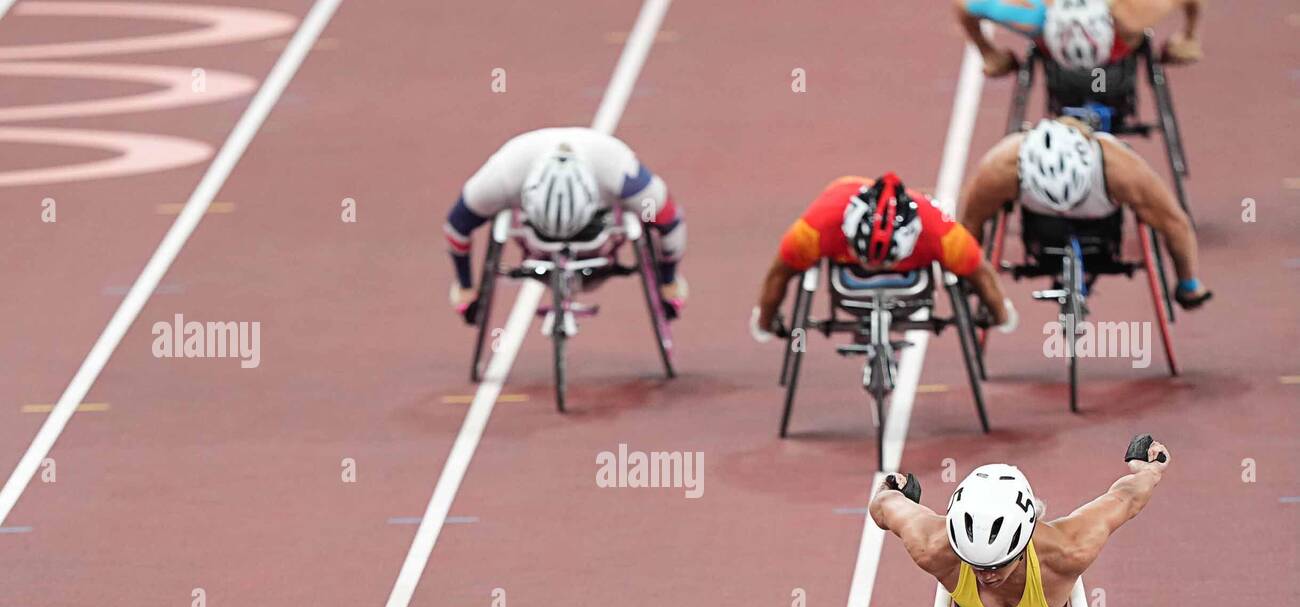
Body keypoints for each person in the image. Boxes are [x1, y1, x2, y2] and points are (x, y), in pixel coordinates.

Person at [869, 439, 1170, 607]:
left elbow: (1124, 500)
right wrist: (893, 489)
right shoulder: (932, 547)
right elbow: (884, 507)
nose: (986, 575)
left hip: (1042, 606)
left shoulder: (1068, 549)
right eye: (976, 564)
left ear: (1024, 542)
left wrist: (1148, 470)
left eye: (998, 564)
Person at [958, 117, 1211, 309]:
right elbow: (969, 226)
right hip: (1041, 234)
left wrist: (1187, 282)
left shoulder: (1120, 168)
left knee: (1162, 214)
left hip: (1102, 232)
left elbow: (1175, 223)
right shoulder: (999, 168)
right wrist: (977, 281)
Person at [444, 127, 687, 319]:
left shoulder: (621, 173)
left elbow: (671, 223)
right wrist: (465, 286)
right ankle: (542, 238)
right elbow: (456, 227)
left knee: (655, 222)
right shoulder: (503, 175)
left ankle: (585, 237)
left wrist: (668, 280)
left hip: (599, 234)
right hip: (534, 241)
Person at [750, 172, 1016, 343]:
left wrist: (999, 314)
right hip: (848, 265)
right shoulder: (818, 225)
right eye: (865, 257)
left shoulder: (939, 230)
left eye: (887, 261)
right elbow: (779, 274)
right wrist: (767, 320)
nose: (875, 268)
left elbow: (981, 274)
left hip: (906, 288)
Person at [954, 0, 1206, 76]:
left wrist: (992, 56)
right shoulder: (1130, 18)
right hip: (1120, 40)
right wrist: (1188, 38)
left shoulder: (1036, 21)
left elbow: (964, 7)